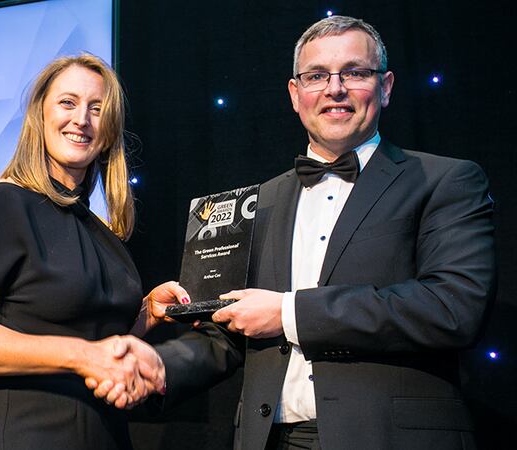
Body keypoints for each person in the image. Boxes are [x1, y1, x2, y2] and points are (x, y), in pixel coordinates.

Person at [91, 15, 496, 450]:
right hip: (270, 439)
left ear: (386, 85)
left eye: (355, 73)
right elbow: (225, 335)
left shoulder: (446, 180)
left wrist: (288, 313)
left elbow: (453, 307)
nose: (335, 88)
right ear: (295, 93)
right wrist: (155, 367)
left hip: (389, 437)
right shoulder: (257, 201)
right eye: (316, 76)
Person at [0, 54, 186, 450]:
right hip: (25, 435)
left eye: (96, 108)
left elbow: (98, 339)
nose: (82, 119)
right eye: (68, 102)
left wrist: (148, 313)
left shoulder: (102, 232)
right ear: (40, 116)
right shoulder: (3, 202)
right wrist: (82, 356)